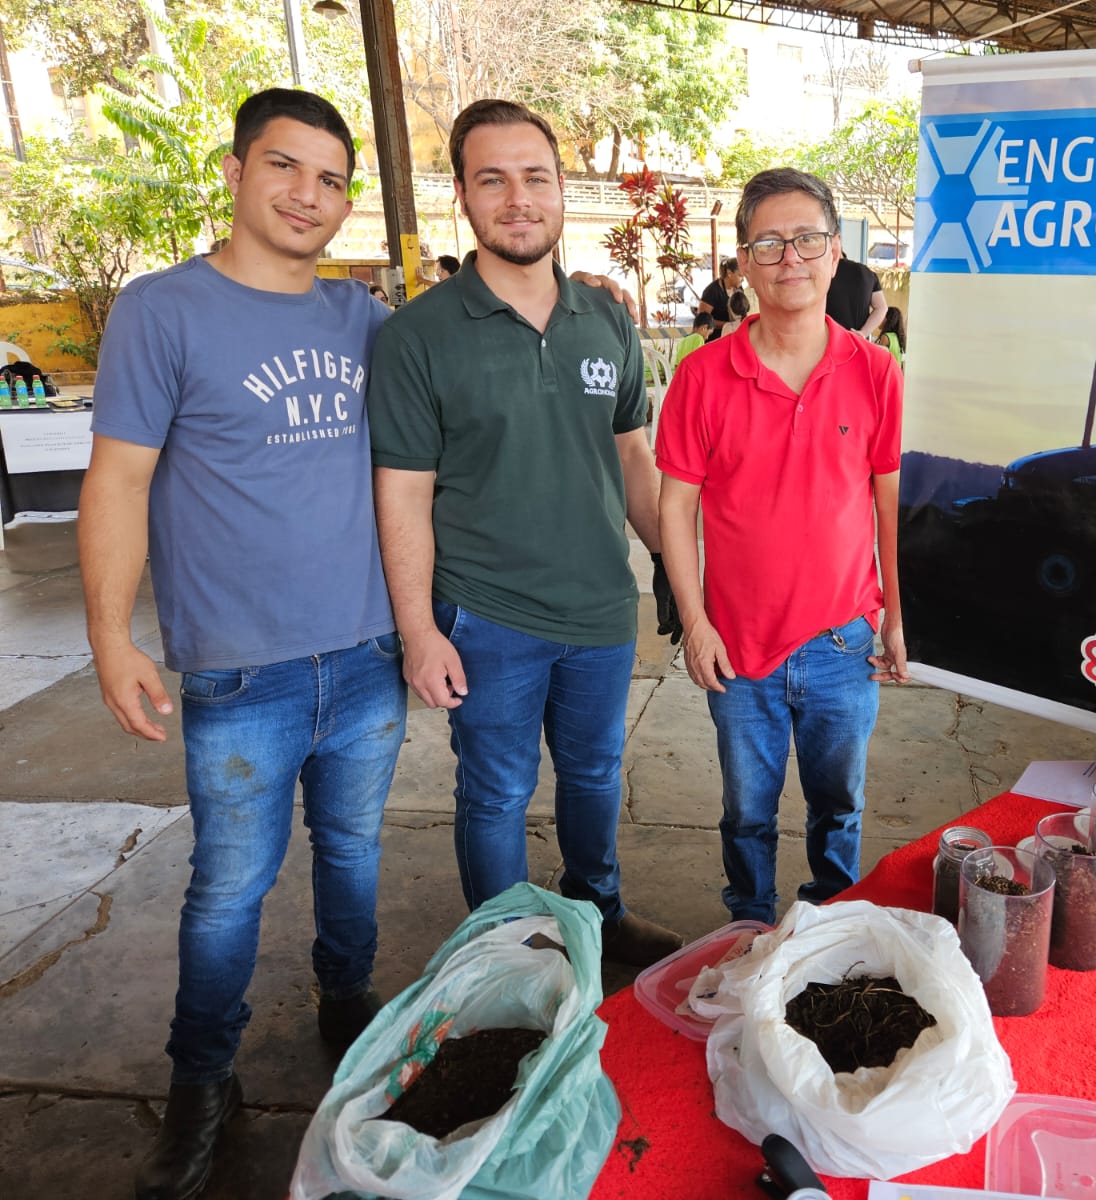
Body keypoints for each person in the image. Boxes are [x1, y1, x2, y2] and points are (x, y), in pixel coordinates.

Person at [80, 88, 408, 1200]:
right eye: (284, 166)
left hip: (366, 655)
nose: (307, 194)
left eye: (330, 179)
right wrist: (110, 634)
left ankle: (346, 1004)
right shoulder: (161, 311)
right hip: (239, 672)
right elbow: (118, 481)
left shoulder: (363, 319)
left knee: (353, 854)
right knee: (227, 889)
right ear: (234, 170)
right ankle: (202, 1079)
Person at [368, 98, 685, 966]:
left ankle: (600, 913)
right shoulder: (418, 336)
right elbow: (402, 494)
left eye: (535, 177)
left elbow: (631, 455)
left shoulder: (606, 320)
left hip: (600, 609)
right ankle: (504, 954)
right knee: (497, 792)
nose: (518, 199)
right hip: (487, 616)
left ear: (561, 191)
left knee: (594, 775)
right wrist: (420, 631)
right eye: (493, 180)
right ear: (463, 197)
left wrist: (673, 562)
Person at [656, 167, 907, 924]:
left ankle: (832, 922)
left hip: (843, 643)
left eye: (807, 239)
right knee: (746, 813)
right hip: (738, 649)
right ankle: (749, 926)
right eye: (768, 243)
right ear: (743, 262)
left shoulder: (876, 372)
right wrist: (695, 623)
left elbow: (889, 508)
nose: (789, 257)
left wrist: (896, 617)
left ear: (836, 254)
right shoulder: (702, 376)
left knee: (840, 806)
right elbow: (676, 508)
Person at [825, 247, 887, 339]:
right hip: (858, 341)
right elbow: (882, 307)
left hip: (830, 339)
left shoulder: (824, 274)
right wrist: (863, 332)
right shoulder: (868, 273)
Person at [698, 255, 743, 340]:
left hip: (732, 337)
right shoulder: (712, 291)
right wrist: (728, 325)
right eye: (740, 276)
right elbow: (702, 320)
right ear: (729, 273)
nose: (743, 279)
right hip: (714, 339)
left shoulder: (739, 289)